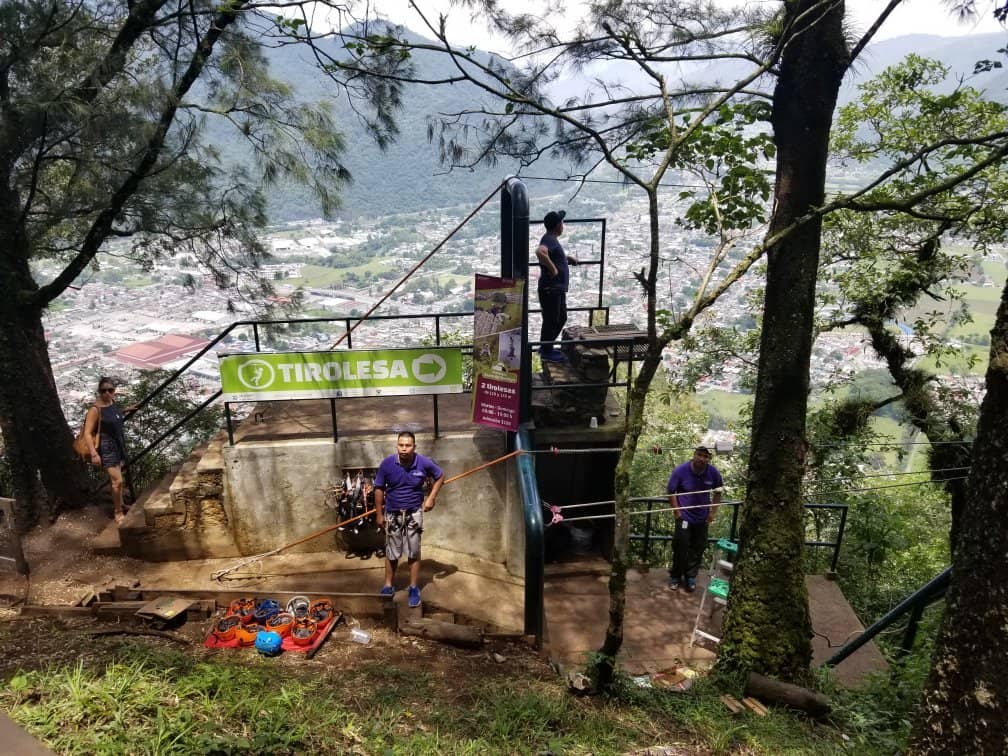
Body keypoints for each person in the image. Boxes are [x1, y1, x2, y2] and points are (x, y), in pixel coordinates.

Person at [374, 431, 444, 608]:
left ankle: (413, 587)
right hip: (393, 513)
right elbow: (379, 488)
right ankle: (388, 585)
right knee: (392, 551)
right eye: (401, 445)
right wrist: (379, 514)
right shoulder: (387, 464)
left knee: (413, 551)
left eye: (408, 445)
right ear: (397, 445)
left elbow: (440, 476)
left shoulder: (423, 462)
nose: (404, 449)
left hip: (414, 513)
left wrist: (431, 498)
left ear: (414, 446)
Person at [667, 446, 724, 593]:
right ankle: (675, 577)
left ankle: (691, 577)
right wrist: (677, 512)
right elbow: (671, 491)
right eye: (699, 455)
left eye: (705, 457)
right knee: (681, 546)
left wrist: (713, 512)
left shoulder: (713, 472)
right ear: (694, 455)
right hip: (684, 517)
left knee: (698, 547)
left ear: (708, 459)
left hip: (702, 518)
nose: (702, 459)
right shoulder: (681, 470)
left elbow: (718, 492)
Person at [81, 377, 137, 524]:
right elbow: (87, 433)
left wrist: (125, 410)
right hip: (106, 448)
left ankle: (122, 504)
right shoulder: (95, 409)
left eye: (110, 390)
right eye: (103, 390)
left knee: (117, 480)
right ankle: (118, 512)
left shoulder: (112, 404)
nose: (107, 393)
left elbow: (113, 415)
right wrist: (94, 454)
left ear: (114, 392)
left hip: (118, 445)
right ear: (99, 392)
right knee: (117, 481)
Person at [535, 209, 578, 362]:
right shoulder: (549, 240)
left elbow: (552, 254)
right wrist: (553, 269)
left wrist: (566, 259)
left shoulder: (550, 239)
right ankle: (546, 350)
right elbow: (540, 252)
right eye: (562, 222)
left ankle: (546, 346)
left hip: (555, 289)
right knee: (552, 320)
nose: (563, 225)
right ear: (557, 225)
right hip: (550, 289)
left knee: (560, 318)